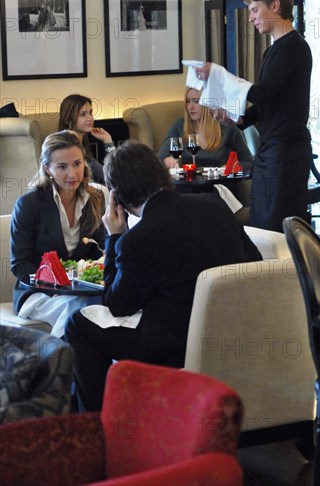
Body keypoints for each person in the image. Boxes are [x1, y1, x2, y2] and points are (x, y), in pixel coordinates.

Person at [65, 141, 262, 411]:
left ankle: (98, 427)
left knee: (78, 323)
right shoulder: (216, 208)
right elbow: (255, 264)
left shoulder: (136, 241)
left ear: (118, 197)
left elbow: (118, 305)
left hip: (172, 345)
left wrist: (114, 238)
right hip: (234, 328)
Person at [196, 0, 313, 233]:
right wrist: (234, 118)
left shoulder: (295, 48)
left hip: (287, 153)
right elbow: (264, 103)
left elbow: (265, 92)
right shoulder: (272, 51)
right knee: (262, 224)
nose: (250, 18)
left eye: (255, 10)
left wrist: (219, 75)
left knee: (277, 227)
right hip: (270, 151)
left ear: (275, 6)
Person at [11, 130, 106, 337]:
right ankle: (57, 364)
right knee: (79, 309)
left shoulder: (95, 198)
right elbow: (20, 265)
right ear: (47, 168)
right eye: (62, 167)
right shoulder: (29, 205)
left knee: (98, 305)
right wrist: (58, 283)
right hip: (38, 293)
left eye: (77, 164)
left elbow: (101, 251)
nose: (72, 174)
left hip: (83, 291)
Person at [157, 87, 253, 171]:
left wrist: (231, 167)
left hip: (218, 184)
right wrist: (167, 161)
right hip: (188, 184)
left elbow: (249, 162)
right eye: (187, 101)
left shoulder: (226, 126)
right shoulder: (179, 125)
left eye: (196, 101)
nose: (191, 107)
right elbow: (159, 159)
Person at [58, 94, 114, 184]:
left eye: (90, 113)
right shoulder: (64, 148)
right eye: (83, 114)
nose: (90, 118)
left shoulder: (82, 147)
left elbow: (111, 176)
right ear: (68, 120)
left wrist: (108, 140)